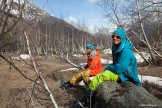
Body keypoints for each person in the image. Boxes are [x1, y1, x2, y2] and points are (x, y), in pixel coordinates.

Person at [76, 28, 141, 107]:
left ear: (123, 38)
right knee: (101, 75)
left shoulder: (126, 51)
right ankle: (87, 96)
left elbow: (119, 68)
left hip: (126, 75)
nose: (114, 38)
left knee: (101, 76)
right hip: (121, 71)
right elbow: (116, 63)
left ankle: (87, 102)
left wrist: (109, 68)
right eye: (113, 36)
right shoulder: (117, 47)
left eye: (118, 37)